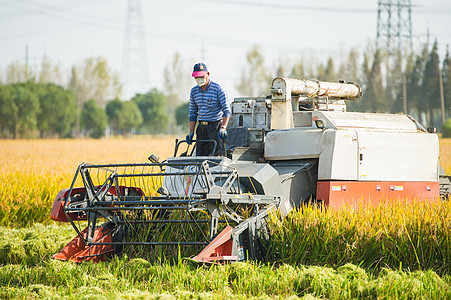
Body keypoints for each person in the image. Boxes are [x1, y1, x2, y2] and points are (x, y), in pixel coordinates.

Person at [186, 63, 231, 156]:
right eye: (197, 77)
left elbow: (226, 110)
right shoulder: (194, 92)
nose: (199, 79)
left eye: (201, 76)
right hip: (201, 128)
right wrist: (191, 132)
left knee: (217, 156)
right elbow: (192, 113)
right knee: (200, 157)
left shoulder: (218, 89)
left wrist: (223, 128)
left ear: (208, 74)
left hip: (215, 127)